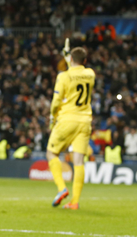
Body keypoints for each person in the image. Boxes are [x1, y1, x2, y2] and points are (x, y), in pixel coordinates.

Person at [47, 41, 95, 210]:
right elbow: (77, 70)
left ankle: (61, 189)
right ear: (85, 60)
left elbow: (55, 102)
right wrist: (70, 59)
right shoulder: (90, 74)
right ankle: (74, 202)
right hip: (85, 121)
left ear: (70, 58)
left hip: (67, 119)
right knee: (79, 161)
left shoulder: (63, 76)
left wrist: (52, 118)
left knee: (51, 153)